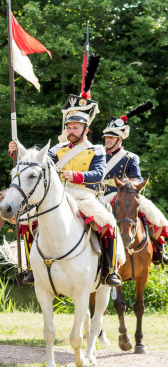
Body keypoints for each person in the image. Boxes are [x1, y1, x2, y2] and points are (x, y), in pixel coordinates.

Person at [9, 92, 121, 287]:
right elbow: (36, 165)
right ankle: (30, 269)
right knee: (26, 222)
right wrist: (16, 152)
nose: (71, 130)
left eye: (76, 127)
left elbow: (98, 174)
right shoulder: (56, 150)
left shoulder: (96, 150)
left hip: (83, 196)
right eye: (69, 127)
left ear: (85, 129)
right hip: (55, 196)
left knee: (108, 222)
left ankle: (109, 271)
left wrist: (76, 176)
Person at [102, 103, 168, 265]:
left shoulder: (130, 158)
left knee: (151, 213)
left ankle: (159, 248)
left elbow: (137, 179)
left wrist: (126, 185)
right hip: (100, 194)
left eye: (111, 138)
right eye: (106, 137)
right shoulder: (97, 154)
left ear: (120, 139)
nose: (107, 140)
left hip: (122, 193)